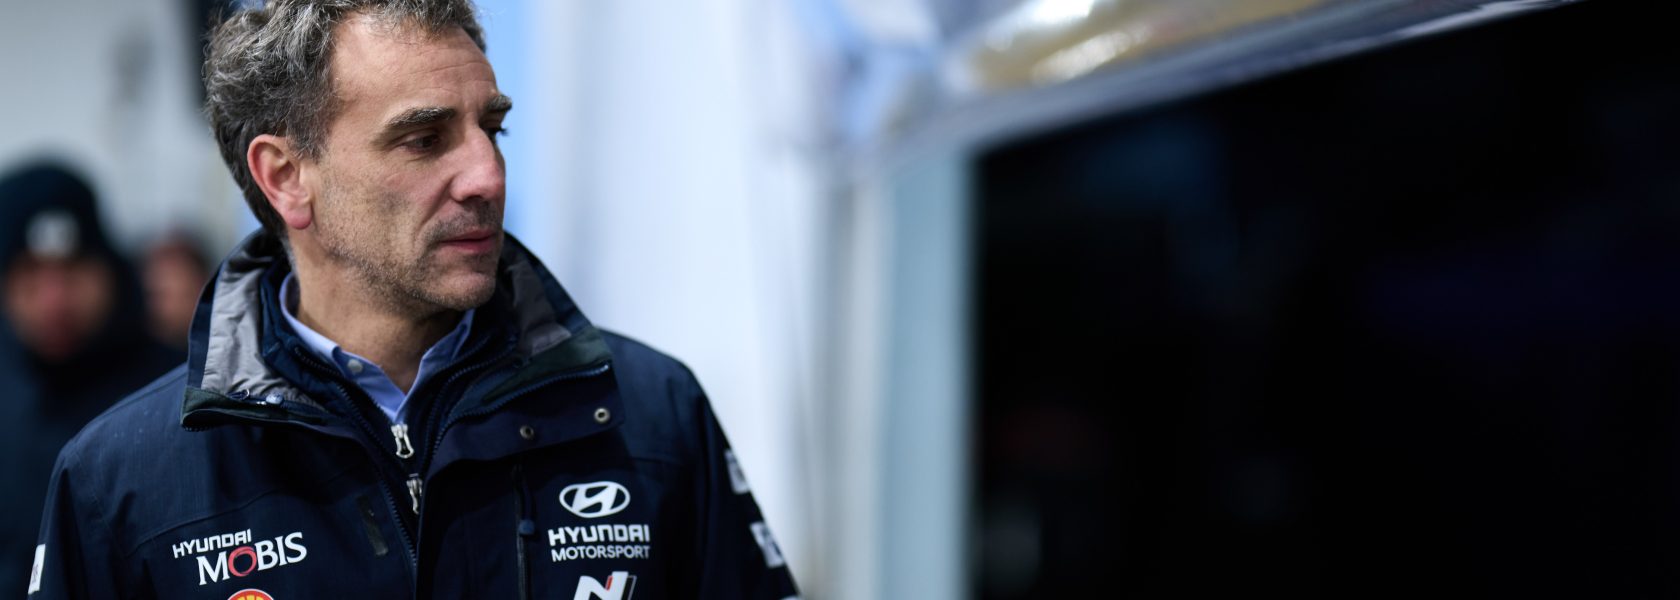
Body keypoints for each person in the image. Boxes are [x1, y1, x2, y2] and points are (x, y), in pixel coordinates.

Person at [30, 2, 800, 598]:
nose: (486, 176)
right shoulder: (121, 485)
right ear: (287, 178)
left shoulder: (651, 414)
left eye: (491, 128)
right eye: (424, 139)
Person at [0, 162, 179, 596]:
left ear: (110, 270)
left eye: (73, 270)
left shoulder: (177, 391)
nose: (54, 300)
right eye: (30, 274)